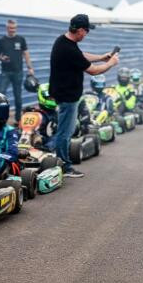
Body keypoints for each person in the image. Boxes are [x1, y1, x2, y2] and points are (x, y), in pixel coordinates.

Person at [49, 14, 119, 178]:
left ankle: (61, 162)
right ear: (80, 30)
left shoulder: (64, 42)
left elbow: (82, 55)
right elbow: (93, 70)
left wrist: (102, 57)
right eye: (86, 31)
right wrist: (111, 63)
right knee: (65, 132)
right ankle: (64, 166)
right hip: (67, 96)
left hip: (65, 93)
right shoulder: (68, 48)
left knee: (66, 130)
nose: (86, 34)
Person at [0, 19, 35, 125]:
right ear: (7, 28)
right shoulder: (1, 40)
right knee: (0, 95)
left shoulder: (21, 39)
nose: (12, 30)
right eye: (10, 28)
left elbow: (26, 53)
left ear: (16, 28)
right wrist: (2, 58)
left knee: (18, 97)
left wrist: (30, 67)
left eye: (14, 28)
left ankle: (18, 119)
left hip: (18, 72)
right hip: (5, 73)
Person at [22, 83, 59, 151]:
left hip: (47, 140)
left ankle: (46, 148)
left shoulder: (58, 112)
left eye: (54, 98)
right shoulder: (34, 112)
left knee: (59, 135)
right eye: (50, 98)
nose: (52, 100)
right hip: (32, 135)